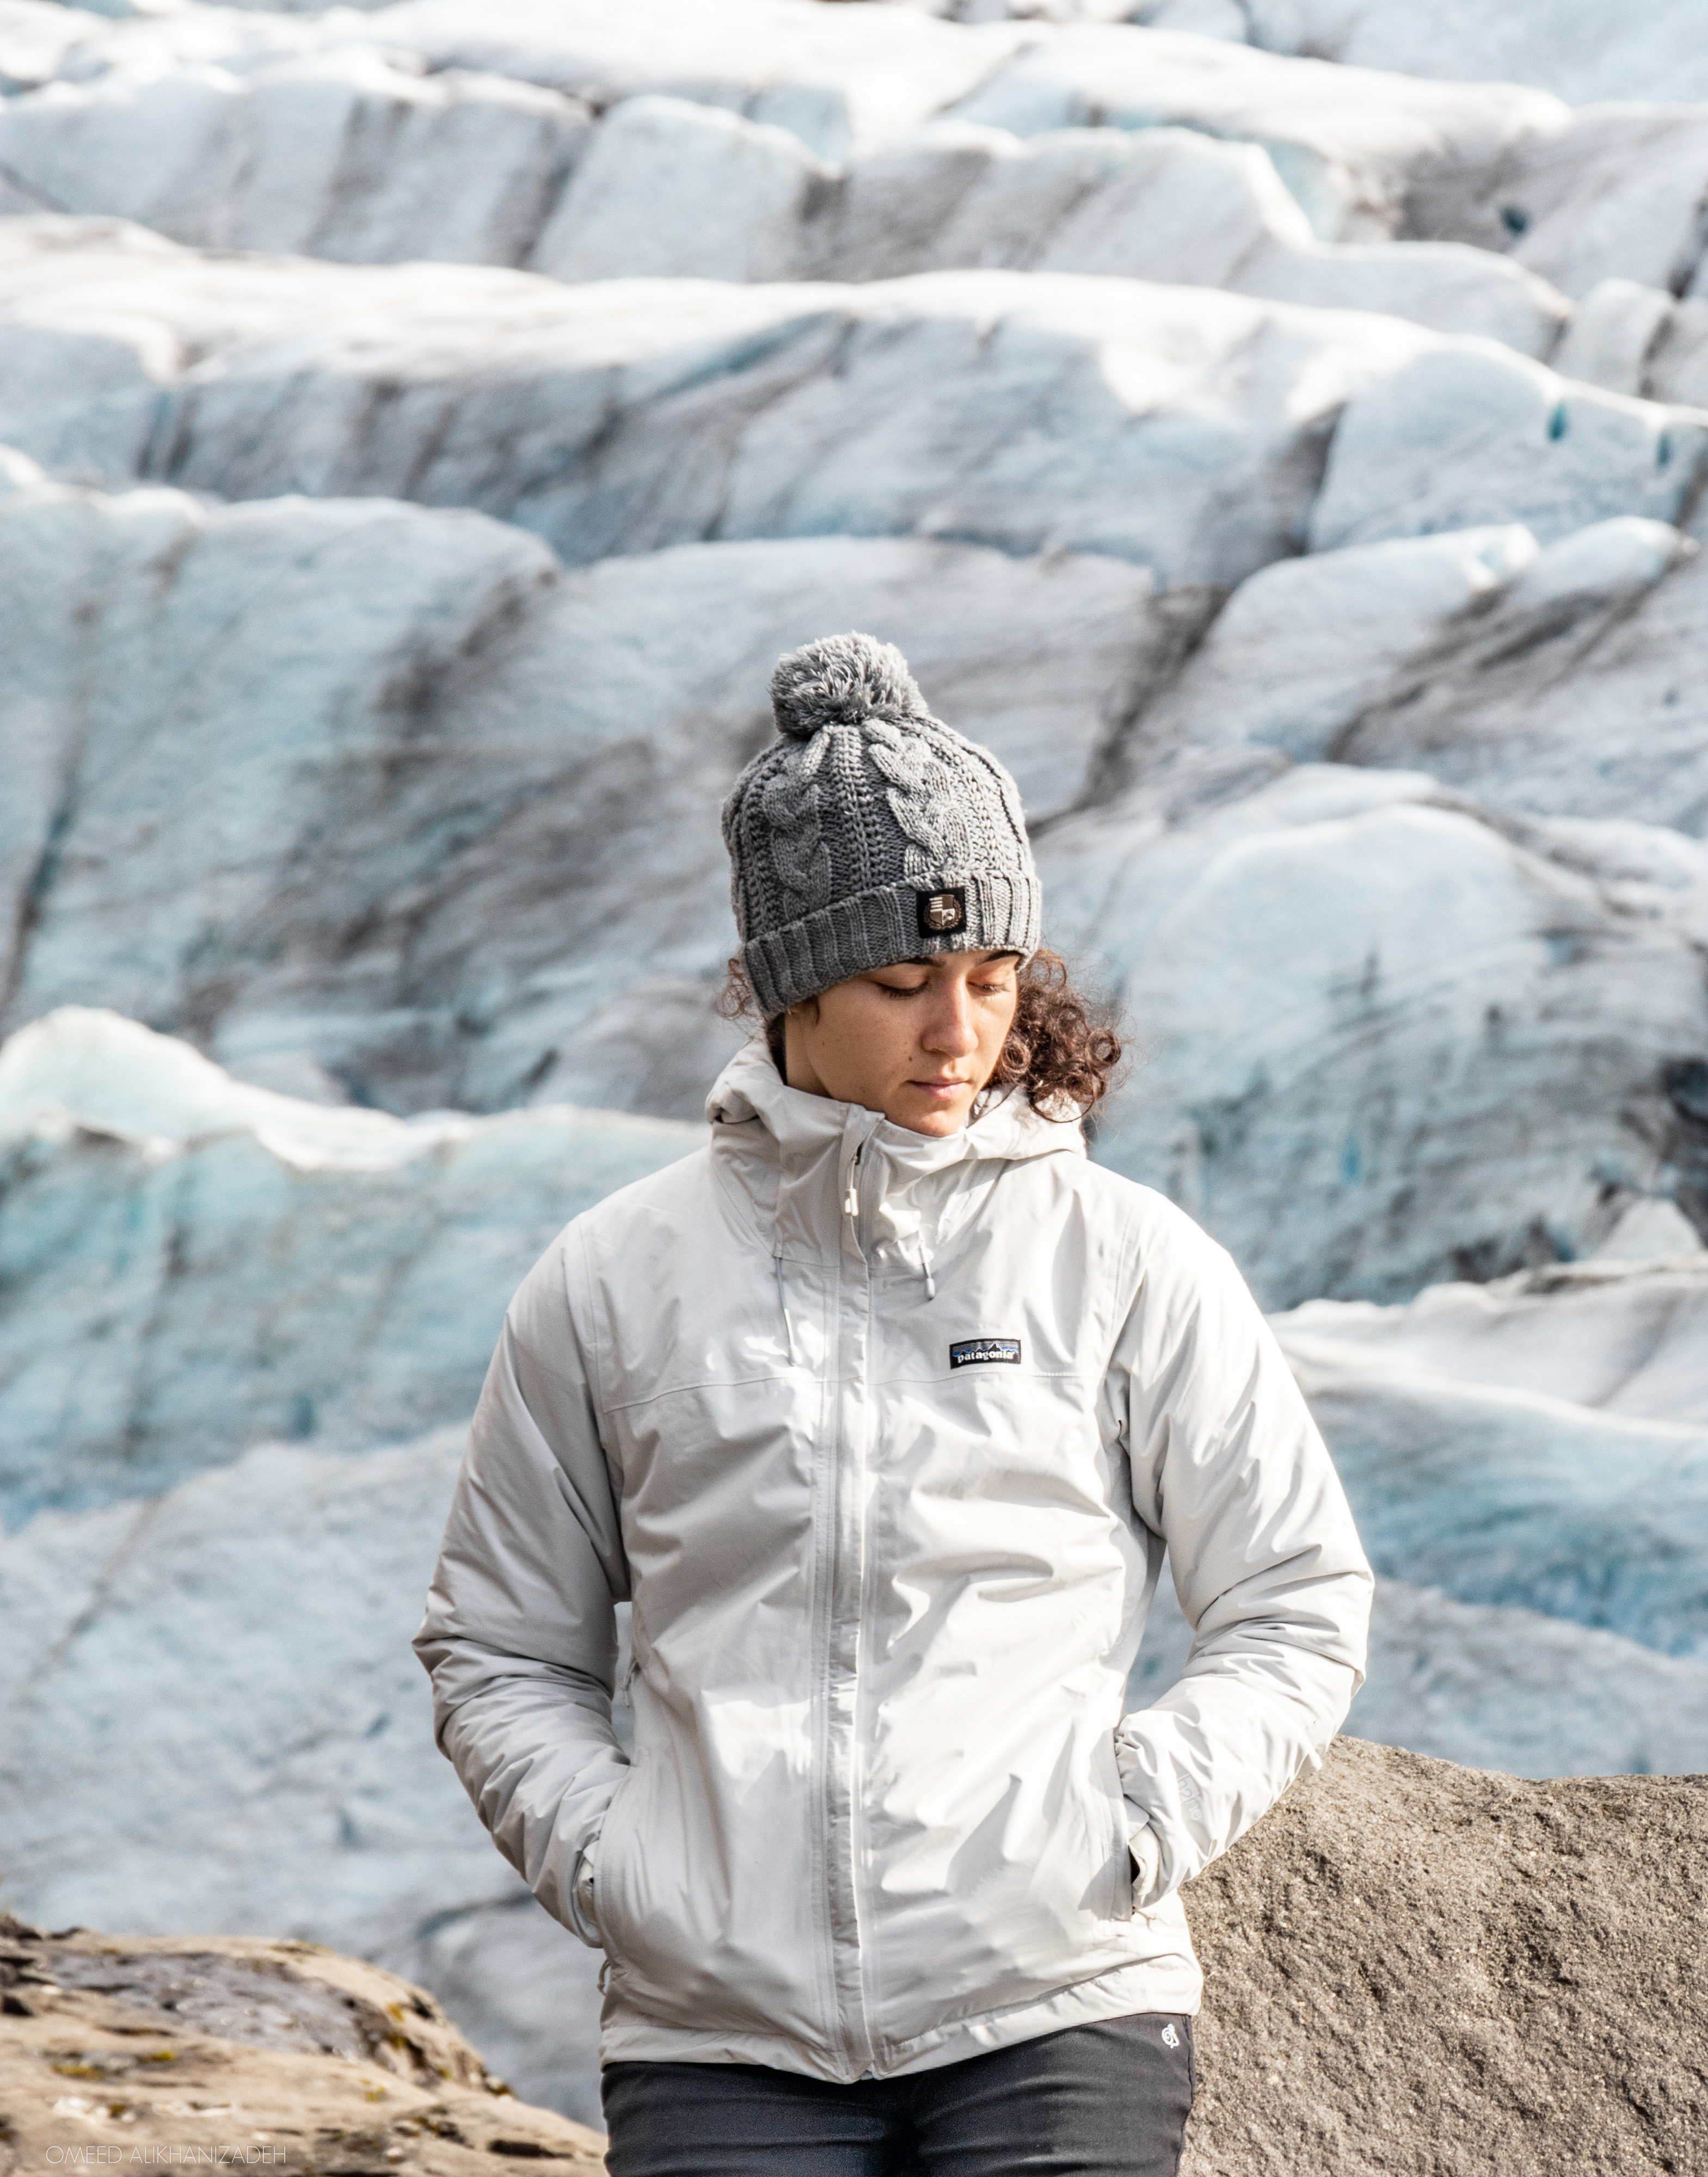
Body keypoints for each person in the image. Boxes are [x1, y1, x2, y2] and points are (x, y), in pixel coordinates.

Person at [414, 632, 1373, 2176]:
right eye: (905, 981)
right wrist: (622, 1866)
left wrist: (1127, 1822)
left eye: (993, 981)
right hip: (719, 2035)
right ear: (794, 984)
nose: (960, 1034)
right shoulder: (612, 1278)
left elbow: (1297, 1596)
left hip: (1055, 2003)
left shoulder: (1124, 1260)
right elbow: (500, 1644)